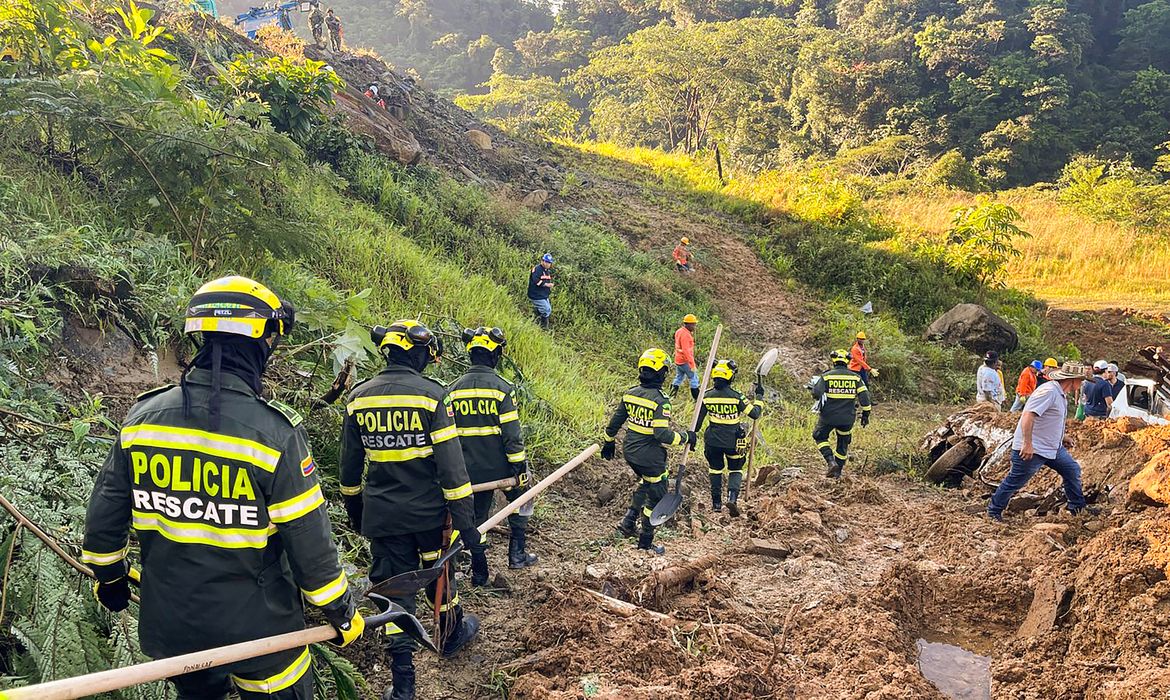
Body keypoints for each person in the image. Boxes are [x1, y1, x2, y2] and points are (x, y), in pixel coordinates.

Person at [83, 276, 364, 699]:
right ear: (260, 342)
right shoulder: (275, 434)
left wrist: (109, 578)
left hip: (174, 629)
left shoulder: (141, 420)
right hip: (261, 635)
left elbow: (105, 516)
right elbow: (310, 544)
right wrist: (341, 612)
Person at [339, 320, 479, 700]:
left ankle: (403, 685)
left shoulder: (359, 397)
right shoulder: (433, 396)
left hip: (383, 517)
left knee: (394, 590)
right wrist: (467, 524)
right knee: (439, 575)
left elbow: (349, 469)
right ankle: (449, 637)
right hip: (429, 517)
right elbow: (452, 469)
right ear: (417, 353)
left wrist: (356, 510)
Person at [446, 326, 536, 588]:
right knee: (522, 501)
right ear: (495, 355)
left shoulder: (452, 390)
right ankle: (517, 555)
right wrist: (520, 469)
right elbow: (512, 437)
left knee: (477, 520)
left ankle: (479, 571)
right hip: (500, 470)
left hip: (465, 471)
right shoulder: (502, 389)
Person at [601, 348, 696, 555]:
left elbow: (615, 422)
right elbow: (662, 435)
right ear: (661, 373)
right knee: (656, 496)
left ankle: (627, 522)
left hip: (630, 451)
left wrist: (608, 441)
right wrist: (686, 437)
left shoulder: (631, 394)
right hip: (649, 457)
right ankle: (645, 542)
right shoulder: (661, 400)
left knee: (646, 483)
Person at [987, 362, 1090, 521]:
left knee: (1072, 470)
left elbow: (1048, 420)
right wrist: (1027, 443)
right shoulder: (1049, 392)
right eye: (1081, 380)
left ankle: (1077, 507)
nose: (1081, 383)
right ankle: (993, 511)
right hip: (1033, 449)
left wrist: (1062, 437)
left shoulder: (1060, 394)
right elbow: (1028, 415)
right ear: (1073, 379)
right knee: (1015, 481)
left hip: (1052, 448)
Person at [696, 360, 763, 516]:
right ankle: (732, 499)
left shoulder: (706, 396)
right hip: (733, 441)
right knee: (735, 468)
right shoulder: (736, 397)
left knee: (715, 469)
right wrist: (759, 397)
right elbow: (755, 413)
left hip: (712, 441)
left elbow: (697, 423)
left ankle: (716, 503)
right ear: (730, 377)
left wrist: (691, 437)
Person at [808, 349, 872, 478]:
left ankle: (831, 462)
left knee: (819, 436)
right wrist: (865, 415)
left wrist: (814, 388)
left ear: (834, 361)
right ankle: (838, 472)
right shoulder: (855, 377)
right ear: (847, 361)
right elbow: (865, 397)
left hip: (828, 417)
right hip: (847, 418)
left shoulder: (826, 376)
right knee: (843, 442)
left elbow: (816, 394)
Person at [670, 314, 699, 400]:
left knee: (678, 378)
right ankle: (697, 398)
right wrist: (692, 365)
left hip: (678, 360)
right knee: (694, 378)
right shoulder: (686, 335)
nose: (694, 326)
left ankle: (672, 396)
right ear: (688, 324)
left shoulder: (679, 331)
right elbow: (686, 351)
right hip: (685, 361)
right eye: (693, 324)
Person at [527, 253, 554, 330]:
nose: (548, 264)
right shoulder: (536, 269)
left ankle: (536, 317)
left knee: (548, 310)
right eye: (546, 262)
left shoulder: (547, 271)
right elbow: (536, 281)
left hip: (544, 295)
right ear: (542, 261)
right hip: (536, 295)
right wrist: (546, 285)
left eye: (549, 262)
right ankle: (543, 327)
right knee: (546, 310)